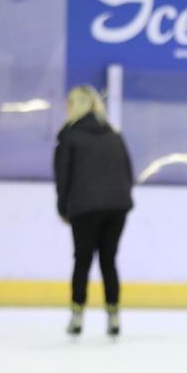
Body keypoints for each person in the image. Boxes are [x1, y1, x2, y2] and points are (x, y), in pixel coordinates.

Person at [53, 85, 134, 338]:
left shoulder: (69, 135)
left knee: (83, 260)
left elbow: (63, 176)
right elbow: (128, 173)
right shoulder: (114, 134)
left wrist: (63, 208)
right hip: (117, 206)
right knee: (109, 260)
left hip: (85, 207)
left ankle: (77, 316)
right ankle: (114, 316)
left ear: (74, 105)